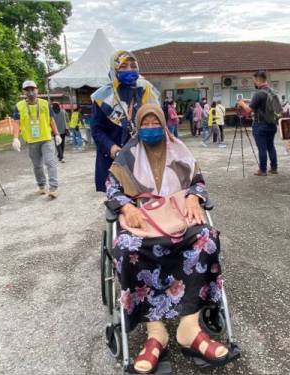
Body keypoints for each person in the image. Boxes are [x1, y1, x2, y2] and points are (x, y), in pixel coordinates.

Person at [106, 103, 236, 373]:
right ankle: (156, 333)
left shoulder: (180, 150)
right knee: (126, 247)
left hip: (178, 216)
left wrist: (193, 196)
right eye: (146, 124)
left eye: (157, 124)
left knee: (205, 239)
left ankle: (189, 328)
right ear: (138, 126)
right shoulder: (127, 155)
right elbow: (112, 189)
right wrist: (127, 207)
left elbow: (198, 181)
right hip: (143, 219)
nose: (152, 129)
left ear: (165, 125)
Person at [90, 50, 160, 192]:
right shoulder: (103, 96)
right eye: (123, 66)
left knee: (146, 198)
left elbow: (157, 119)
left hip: (142, 155)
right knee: (119, 201)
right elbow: (97, 130)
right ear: (114, 69)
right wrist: (111, 147)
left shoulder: (146, 90)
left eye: (133, 66)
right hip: (114, 157)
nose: (129, 70)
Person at [11, 80, 61, 198]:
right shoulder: (19, 106)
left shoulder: (45, 104)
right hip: (32, 141)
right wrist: (15, 138)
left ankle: (53, 188)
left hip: (46, 138)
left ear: (37, 90)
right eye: (27, 90)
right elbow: (16, 123)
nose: (30, 92)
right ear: (24, 92)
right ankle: (41, 186)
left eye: (32, 89)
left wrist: (57, 134)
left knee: (50, 162)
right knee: (37, 165)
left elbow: (51, 120)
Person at [237, 70, 279, 176]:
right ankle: (274, 168)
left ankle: (263, 170)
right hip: (272, 123)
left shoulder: (258, 93)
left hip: (260, 125)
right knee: (271, 146)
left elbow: (248, 110)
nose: (254, 83)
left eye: (254, 81)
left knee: (262, 148)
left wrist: (242, 103)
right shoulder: (272, 91)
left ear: (257, 80)